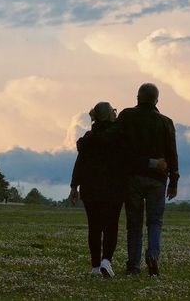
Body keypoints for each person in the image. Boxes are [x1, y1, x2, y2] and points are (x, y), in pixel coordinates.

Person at [118, 83, 179, 276]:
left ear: (137, 97)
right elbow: (172, 153)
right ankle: (153, 256)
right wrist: (174, 180)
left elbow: (121, 150)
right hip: (158, 180)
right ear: (156, 100)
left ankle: (133, 266)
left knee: (134, 223)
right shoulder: (166, 122)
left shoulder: (126, 116)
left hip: (133, 177)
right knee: (155, 222)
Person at [69, 102, 125, 277]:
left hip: (90, 189)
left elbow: (80, 164)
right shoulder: (118, 137)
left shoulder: (88, 138)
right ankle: (106, 261)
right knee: (111, 226)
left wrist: (74, 186)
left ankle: (95, 266)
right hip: (114, 188)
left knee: (94, 227)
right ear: (110, 115)